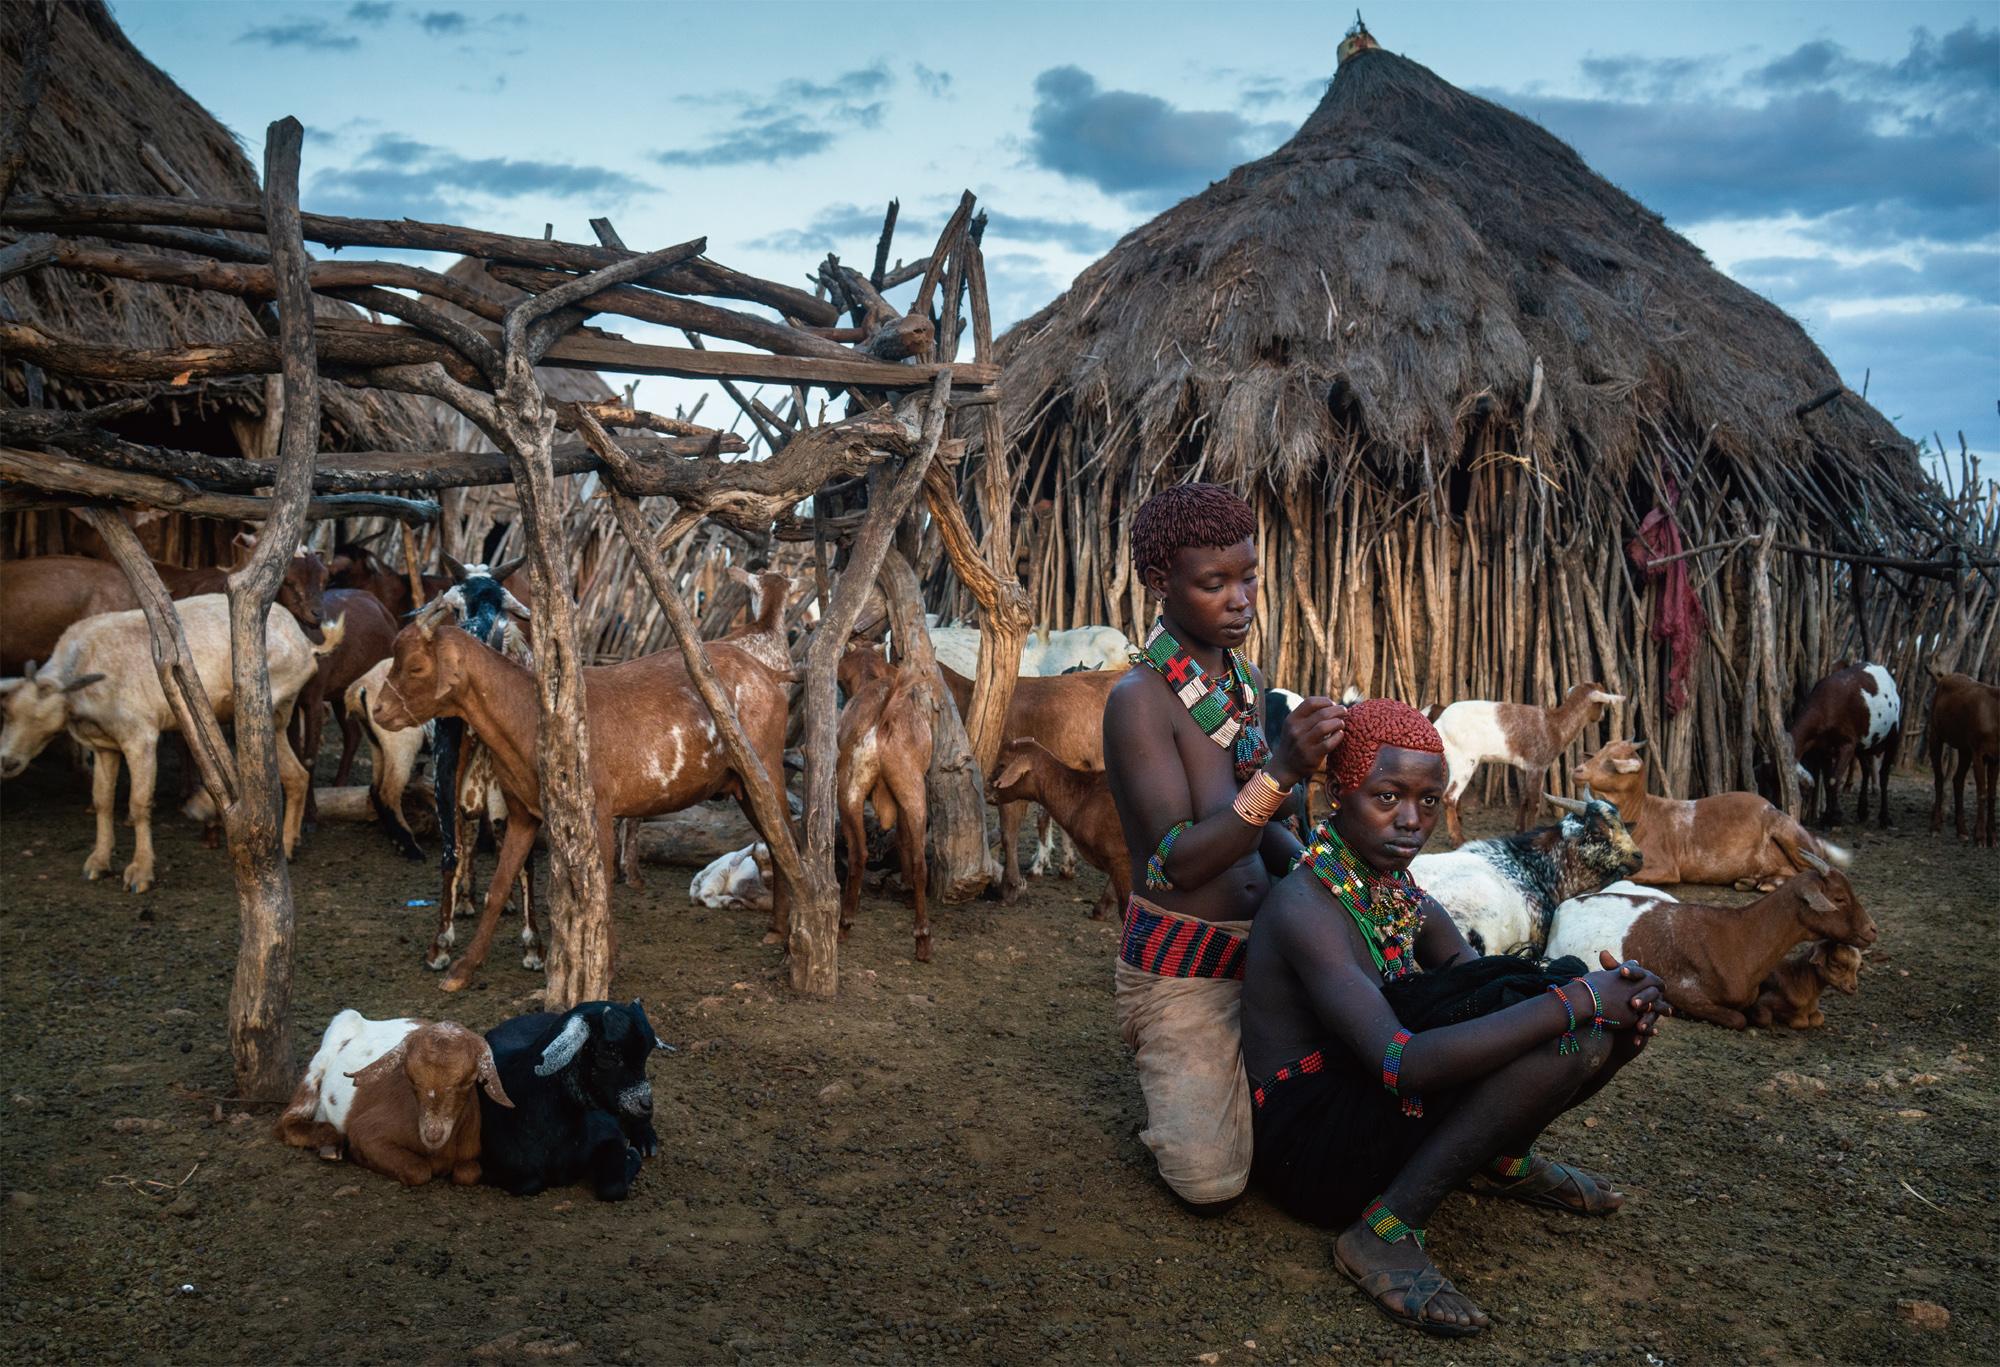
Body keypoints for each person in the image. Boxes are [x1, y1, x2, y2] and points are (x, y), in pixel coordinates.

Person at [1240, 698, 1670, 1337]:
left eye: (1429, 801)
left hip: (1363, 1101)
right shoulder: (1307, 906)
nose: (1412, 821)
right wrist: (1576, 1002)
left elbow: (1485, 991)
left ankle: (1501, 1160)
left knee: (1577, 1021)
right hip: (1310, 1149)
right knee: (1564, 1028)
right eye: (1387, 797)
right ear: (1338, 794)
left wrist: (1612, 1002)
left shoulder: (1401, 897)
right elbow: (1402, 1063)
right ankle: (1383, 1232)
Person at [1103, 483, 1347, 1210]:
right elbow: (1175, 862)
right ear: (1160, 582)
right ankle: (1189, 1067)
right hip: (1183, 967)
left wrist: (1319, 877)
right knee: (1210, 1181)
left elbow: (1260, 831)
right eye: (1215, 583)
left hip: (1267, 947)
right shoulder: (1138, 702)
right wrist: (1281, 773)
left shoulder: (1246, 684)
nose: (1240, 599)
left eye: (1249, 578)